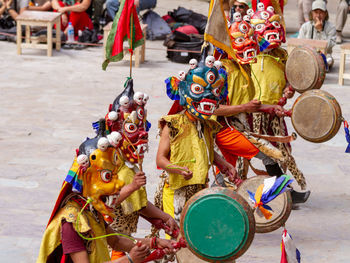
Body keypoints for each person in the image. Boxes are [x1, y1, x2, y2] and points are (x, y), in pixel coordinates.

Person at [36, 133, 176, 263]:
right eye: (107, 177)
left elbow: (116, 241)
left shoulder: (90, 208)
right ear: (87, 178)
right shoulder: (71, 222)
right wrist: (129, 259)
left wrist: (155, 243)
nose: (119, 184)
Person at [102, 78, 179, 261]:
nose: (143, 133)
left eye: (143, 127)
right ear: (115, 128)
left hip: (127, 240)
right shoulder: (107, 167)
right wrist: (132, 187)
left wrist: (163, 218)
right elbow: (100, 205)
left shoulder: (130, 165)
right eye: (132, 128)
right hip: (111, 241)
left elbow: (139, 205)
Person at [155, 58, 237, 226]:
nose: (208, 96)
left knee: (196, 233)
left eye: (213, 92)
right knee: (176, 237)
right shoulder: (173, 124)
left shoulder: (207, 125)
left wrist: (223, 164)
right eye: (199, 89)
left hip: (199, 187)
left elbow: (204, 148)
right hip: (176, 188)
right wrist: (177, 169)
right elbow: (160, 160)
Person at [250, 4, 309, 194]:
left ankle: (280, 189)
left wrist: (288, 89)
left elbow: (288, 79)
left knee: (283, 151)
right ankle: (280, 190)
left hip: (276, 111)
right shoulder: (248, 55)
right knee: (264, 152)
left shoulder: (282, 55)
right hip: (253, 112)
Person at [298, 0, 336, 69]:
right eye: (316, 12)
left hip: (324, 55)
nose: (318, 15)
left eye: (321, 12)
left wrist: (321, 31)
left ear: (325, 14)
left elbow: (330, 46)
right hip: (307, 54)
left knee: (329, 60)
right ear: (312, 13)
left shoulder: (331, 27)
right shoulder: (305, 26)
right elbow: (299, 44)